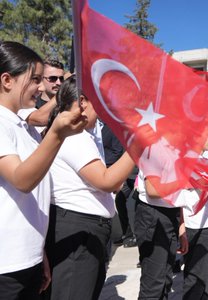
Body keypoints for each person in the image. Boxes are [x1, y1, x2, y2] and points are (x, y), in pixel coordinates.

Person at [0, 41, 87, 300]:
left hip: (29, 260)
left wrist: (41, 255)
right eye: (35, 79)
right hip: (6, 267)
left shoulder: (23, 128)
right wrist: (57, 134)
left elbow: (31, 201)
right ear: (7, 80)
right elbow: (22, 180)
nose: (41, 88)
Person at [44, 75, 136, 300]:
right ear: (83, 102)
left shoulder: (83, 135)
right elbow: (107, 180)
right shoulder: (73, 135)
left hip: (86, 228)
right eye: (100, 101)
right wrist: (139, 143)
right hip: (77, 229)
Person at [134, 169, 188, 300]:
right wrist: (187, 182)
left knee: (166, 280)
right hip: (153, 215)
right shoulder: (157, 150)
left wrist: (181, 227)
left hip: (171, 214)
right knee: (153, 283)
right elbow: (152, 190)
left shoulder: (178, 154)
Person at [182, 131, 208, 300]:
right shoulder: (184, 162)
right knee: (194, 273)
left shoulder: (207, 162)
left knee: (203, 271)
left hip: (207, 222)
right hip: (191, 222)